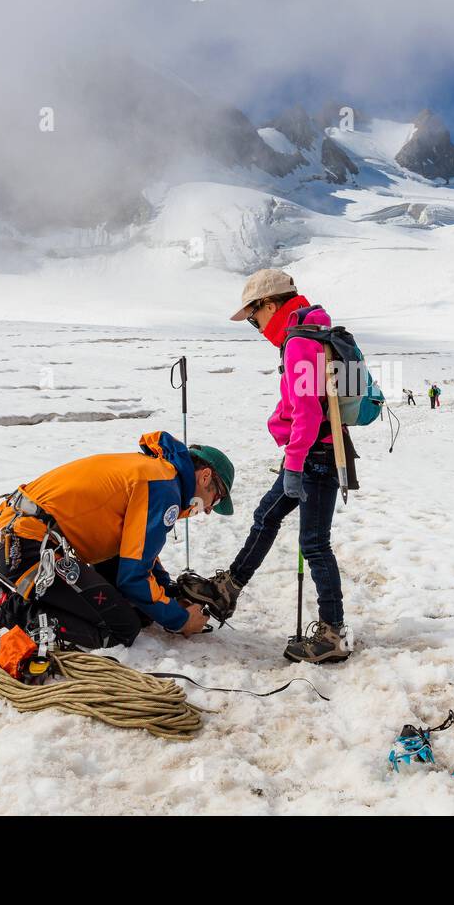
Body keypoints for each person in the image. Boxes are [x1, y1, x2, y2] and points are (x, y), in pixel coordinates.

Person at [179, 269, 353, 664]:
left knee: (314, 543)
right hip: (315, 453)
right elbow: (304, 404)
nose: (255, 327)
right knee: (267, 515)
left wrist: (293, 465)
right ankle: (230, 588)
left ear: (270, 305)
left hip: (314, 457)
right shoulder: (311, 334)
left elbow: (308, 412)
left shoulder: (299, 342)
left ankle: (333, 634)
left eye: (254, 318)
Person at [0, 431, 234, 653]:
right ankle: (1, 606)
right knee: (120, 629)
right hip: (25, 548)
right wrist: (180, 620)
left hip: (16, 534)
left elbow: (136, 552)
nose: (208, 509)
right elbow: (133, 577)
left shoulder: (158, 473)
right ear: (205, 476)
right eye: (215, 500)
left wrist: (169, 595)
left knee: (138, 611)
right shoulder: (163, 487)